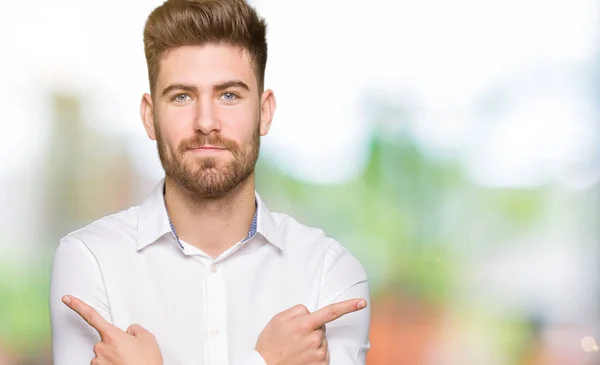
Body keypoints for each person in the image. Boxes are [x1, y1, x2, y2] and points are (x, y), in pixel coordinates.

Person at [49, 0, 371, 364]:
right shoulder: (91, 260)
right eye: (182, 96)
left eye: (229, 95)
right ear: (150, 117)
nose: (206, 121)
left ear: (264, 112)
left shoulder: (329, 272)